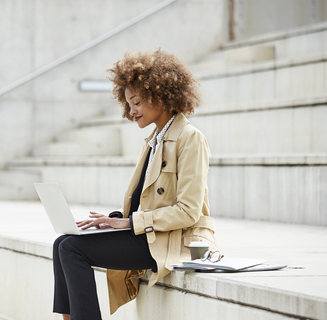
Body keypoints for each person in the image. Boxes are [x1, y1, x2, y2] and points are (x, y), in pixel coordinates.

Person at [52, 49, 219, 320]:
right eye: (128, 104)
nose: (131, 112)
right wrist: (115, 220)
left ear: (161, 96)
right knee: (62, 242)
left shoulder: (191, 139)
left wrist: (130, 223)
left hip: (170, 241)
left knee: (71, 249)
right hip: (148, 235)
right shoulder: (154, 141)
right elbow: (148, 202)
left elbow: (188, 212)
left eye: (137, 102)